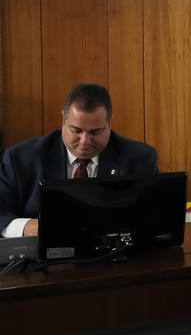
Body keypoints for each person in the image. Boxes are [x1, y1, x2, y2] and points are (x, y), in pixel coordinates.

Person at [0, 83, 158, 237]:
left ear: (110, 123)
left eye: (95, 132)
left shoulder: (140, 158)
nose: (85, 141)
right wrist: (28, 227)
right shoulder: (20, 158)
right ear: (63, 120)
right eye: (76, 130)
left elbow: (152, 215)